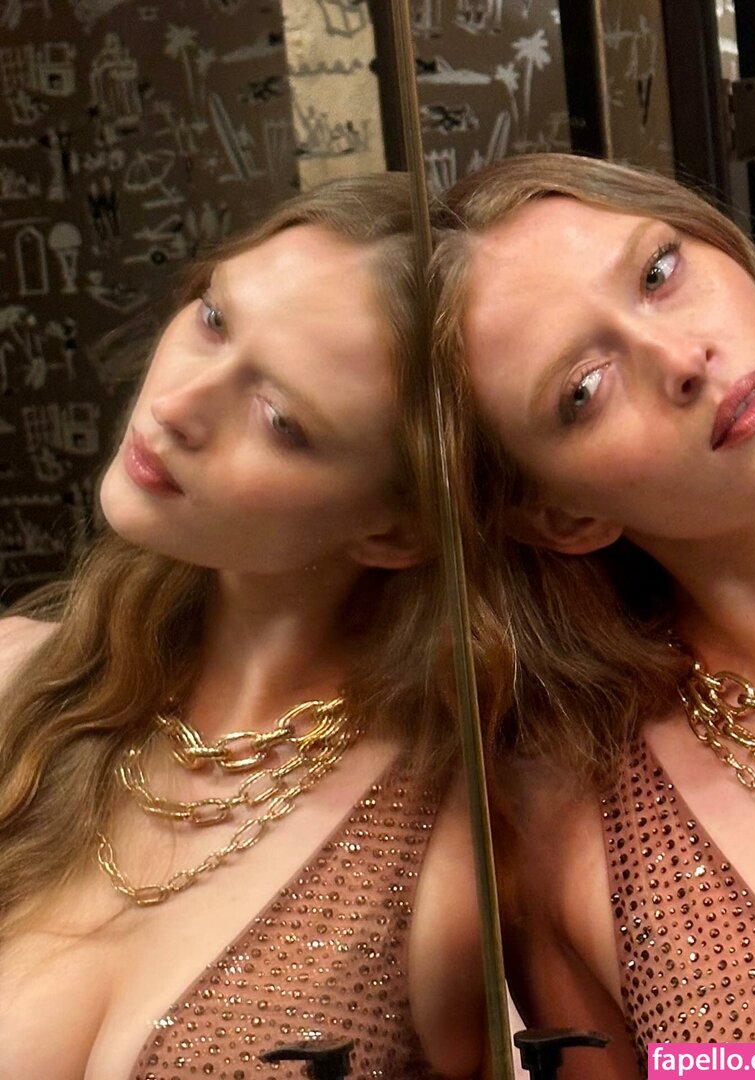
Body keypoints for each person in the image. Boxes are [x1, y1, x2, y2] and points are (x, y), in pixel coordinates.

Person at [0, 174, 486, 1080]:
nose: (175, 406)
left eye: (280, 419)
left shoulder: (451, 854)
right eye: (214, 320)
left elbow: (717, 1058)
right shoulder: (15, 686)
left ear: (394, 531)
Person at [430, 153, 755, 1077]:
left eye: (658, 271)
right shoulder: (568, 838)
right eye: (583, 390)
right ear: (563, 517)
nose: (681, 360)